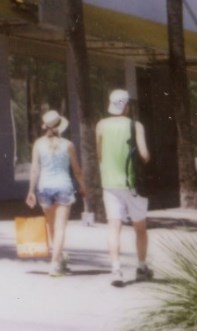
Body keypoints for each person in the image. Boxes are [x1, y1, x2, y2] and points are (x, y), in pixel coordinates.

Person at [96, 88, 152, 287]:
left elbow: (99, 155)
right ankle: (142, 266)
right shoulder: (135, 125)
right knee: (140, 228)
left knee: (114, 227)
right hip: (132, 183)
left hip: (109, 183)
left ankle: (116, 270)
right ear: (127, 107)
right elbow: (144, 154)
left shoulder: (101, 125)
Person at [25, 109, 86, 277]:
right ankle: (54, 263)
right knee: (60, 228)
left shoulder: (38, 144)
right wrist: (83, 186)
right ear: (60, 126)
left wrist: (31, 190)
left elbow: (34, 169)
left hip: (44, 187)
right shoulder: (68, 145)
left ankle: (58, 259)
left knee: (51, 226)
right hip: (63, 187)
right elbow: (77, 170)